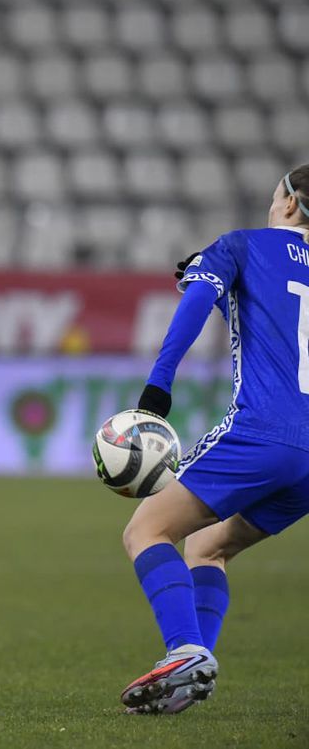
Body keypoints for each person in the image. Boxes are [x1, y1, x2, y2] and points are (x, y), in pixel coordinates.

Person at [119, 164, 309, 714]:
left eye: (275, 194)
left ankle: (184, 652)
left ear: (290, 203)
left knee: (147, 529)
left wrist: (158, 387)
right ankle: (190, 671)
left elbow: (194, 305)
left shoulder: (241, 246)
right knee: (209, 545)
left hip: (263, 434)